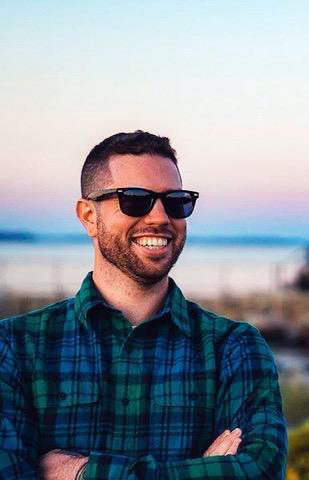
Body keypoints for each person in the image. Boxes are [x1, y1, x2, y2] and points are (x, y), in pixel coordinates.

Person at [0, 131, 288, 479]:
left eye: (176, 201)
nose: (160, 217)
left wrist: (81, 472)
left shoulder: (234, 347)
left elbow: (259, 471)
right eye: (135, 200)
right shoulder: (14, 346)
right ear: (88, 216)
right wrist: (205, 469)